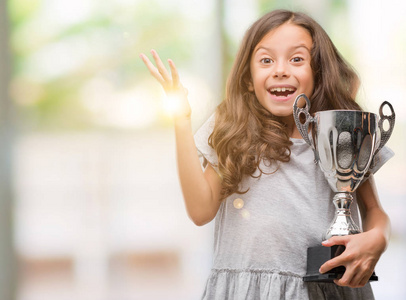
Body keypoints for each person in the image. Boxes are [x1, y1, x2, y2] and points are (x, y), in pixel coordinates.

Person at [140, 9, 393, 300]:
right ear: (248, 78)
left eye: (297, 59)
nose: (280, 70)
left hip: (326, 292)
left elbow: (374, 211)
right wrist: (181, 119)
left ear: (319, 71)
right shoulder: (232, 129)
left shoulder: (341, 130)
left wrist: (377, 239)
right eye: (266, 60)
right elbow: (200, 210)